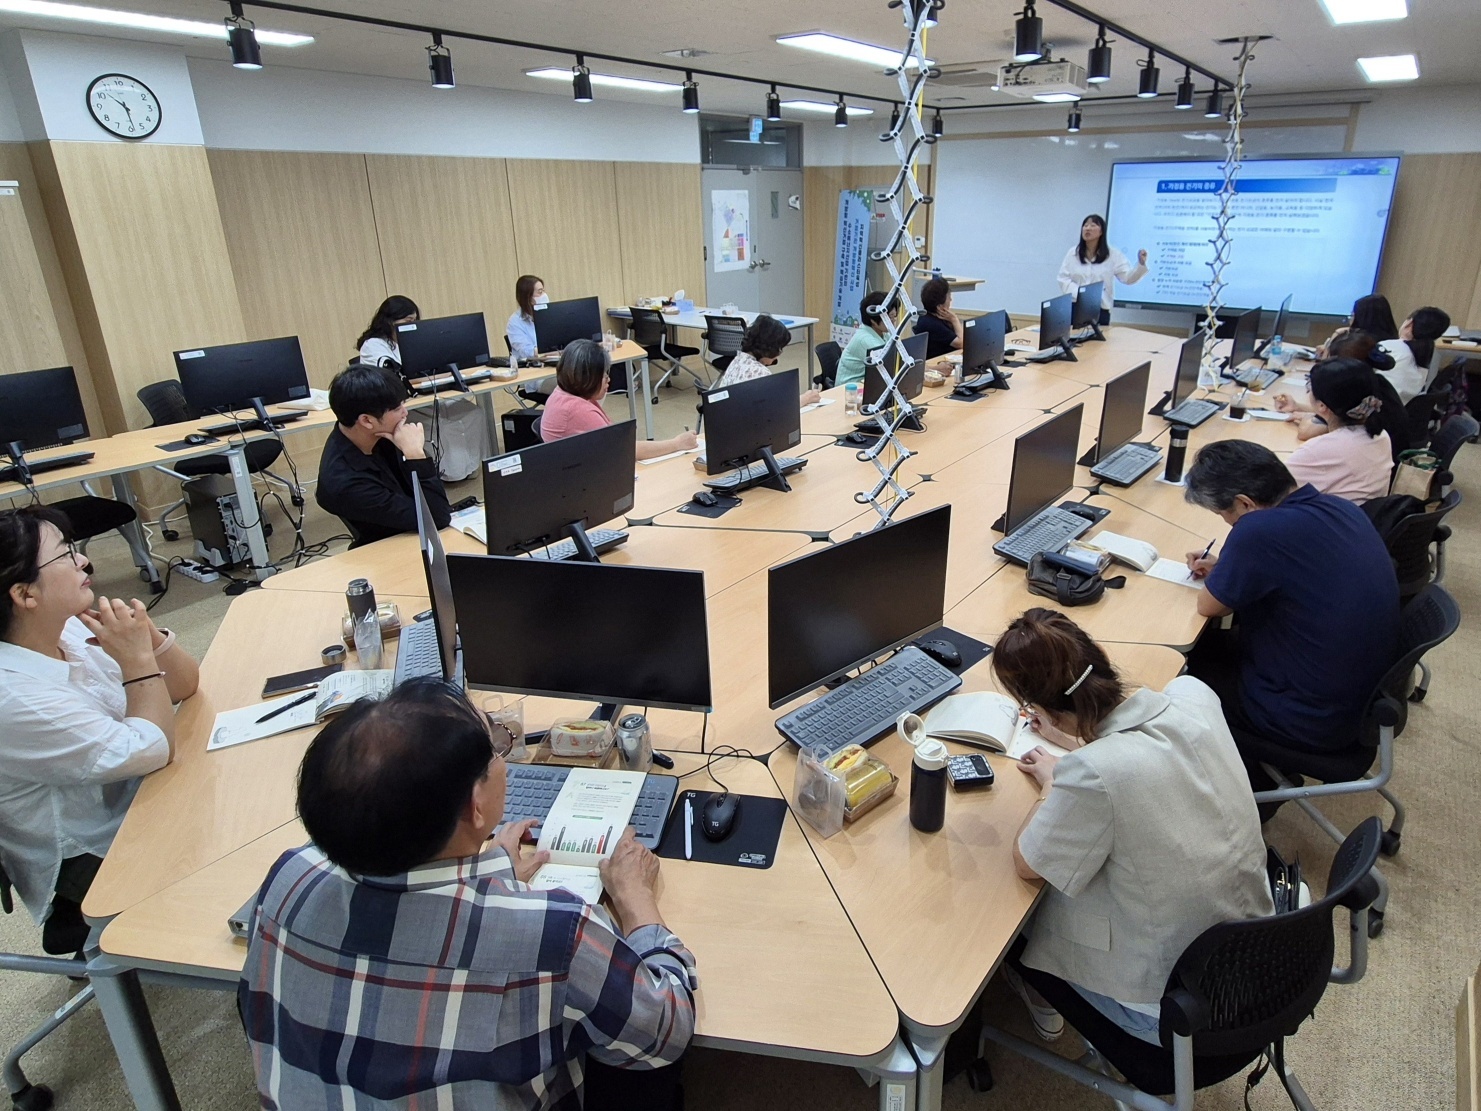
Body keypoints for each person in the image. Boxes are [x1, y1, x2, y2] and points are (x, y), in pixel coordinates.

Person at [239, 678, 695, 1109]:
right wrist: (635, 899)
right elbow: (666, 1028)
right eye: (495, 747)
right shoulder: (553, 935)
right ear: (476, 807)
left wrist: (488, 870)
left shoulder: (287, 880)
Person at [991, 609, 1272, 1045]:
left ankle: (1039, 995)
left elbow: (1028, 861)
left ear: (1045, 712)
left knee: (1012, 920)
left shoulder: (1093, 774)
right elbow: (1143, 752)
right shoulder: (1194, 695)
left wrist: (1054, 782)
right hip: (1255, 954)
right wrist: (1074, 741)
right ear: (1101, 656)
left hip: (1175, 1011)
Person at [0, 506, 199, 955]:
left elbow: (184, 685)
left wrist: (146, 637)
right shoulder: (14, 697)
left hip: (134, 793)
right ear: (25, 594)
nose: (84, 561)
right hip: (91, 850)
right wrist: (138, 660)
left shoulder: (64, 628)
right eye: (65, 555)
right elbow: (152, 748)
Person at [1180, 441, 1399, 788]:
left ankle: (1231, 786)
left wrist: (1231, 568)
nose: (1229, 524)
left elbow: (1209, 606)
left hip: (1304, 717)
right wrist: (1230, 569)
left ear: (1245, 503)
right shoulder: (1340, 508)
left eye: (1225, 516)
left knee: (1174, 673)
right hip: (1353, 700)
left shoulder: (1258, 530)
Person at [315, 363, 452, 547]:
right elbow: (437, 518)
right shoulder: (346, 484)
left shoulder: (378, 435)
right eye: (396, 409)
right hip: (391, 546)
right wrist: (415, 456)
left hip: (411, 532)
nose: (405, 413)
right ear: (366, 420)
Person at [540, 339, 698, 461]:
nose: (608, 379)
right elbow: (627, 450)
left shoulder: (562, 393)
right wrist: (677, 443)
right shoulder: (578, 410)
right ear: (588, 378)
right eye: (603, 374)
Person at [1273, 331, 1410, 461]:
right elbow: (1331, 413)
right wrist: (1298, 407)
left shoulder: (1352, 394)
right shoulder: (1375, 384)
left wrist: (1307, 417)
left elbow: (1307, 431)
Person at [1284, 357, 1394, 503]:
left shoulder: (1319, 450)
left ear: (1322, 406)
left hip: (1329, 516)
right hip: (1363, 515)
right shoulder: (1381, 435)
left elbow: (1272, 490)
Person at [1055, 214, 1147, 323]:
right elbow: (1063, 279)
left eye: (1093, 225)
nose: (1088, 228)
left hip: (1100, 309)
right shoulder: (1073, 253)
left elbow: (1127, 278)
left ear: (1101, 231)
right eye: (1085, 225)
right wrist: (1083, 294)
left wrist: (1141, 264)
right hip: (1075, 306)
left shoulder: (1113, 255)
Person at [715, 314, 821, 405]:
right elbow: (778, 408)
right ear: (771, 349)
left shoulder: (738, 359)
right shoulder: (759, 372)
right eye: (780, 349)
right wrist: (806, 398)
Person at [1380, 306, 1451, 401]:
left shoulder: (1388, 347)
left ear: (1409, 323)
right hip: (1402, 406)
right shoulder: (1429, 353)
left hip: (1379, 405)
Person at [836, 291, 895, 389]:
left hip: (870, 383)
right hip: (849, 389)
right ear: (873, 320)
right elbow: (889, 364)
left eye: (894, 316)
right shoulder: (865, 339)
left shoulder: (884, 333)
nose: (893, 321)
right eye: (890, 317)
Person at [356, 295, 420, 368]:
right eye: (408, 321)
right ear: (390, 320)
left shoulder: (408, 343)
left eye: (415, 320)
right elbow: (389, 371)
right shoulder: (372, 345)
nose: (413, 325)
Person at [913, 277, 963, 358]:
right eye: (948, 297)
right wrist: (955, 319)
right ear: (939, 306)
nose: (951, 300)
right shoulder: (931, 323)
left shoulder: (935, 316)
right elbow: (961, 343)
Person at [507, 274, 547, 362]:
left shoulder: (548, 315)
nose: (544, 295)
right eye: (540, 292)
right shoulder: (515, 322)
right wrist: (550, 351)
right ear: (528, 297)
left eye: (543, 291)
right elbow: (527, 352)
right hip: (530, 366)